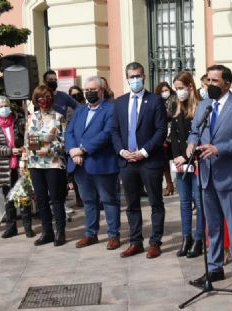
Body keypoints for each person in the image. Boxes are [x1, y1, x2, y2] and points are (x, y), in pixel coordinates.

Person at [186, 64, 232, 293]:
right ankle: (214, 268)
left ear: (227, 83)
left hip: (231, 177)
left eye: (214, 81)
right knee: (212, 227)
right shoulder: (203, 105)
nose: (209, 85)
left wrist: (219, 148)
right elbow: (194, 130)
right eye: (207, 80)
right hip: (206, 175)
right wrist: (191, 143)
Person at [111, 61, 168, 259]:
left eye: (138, 76)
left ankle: (155, 242)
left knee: (155, 203)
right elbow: (115, 130)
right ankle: (135, 242)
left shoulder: (155, 101)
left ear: (144, 76)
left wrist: (144, 152)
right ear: (126, 78)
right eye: (131, 76)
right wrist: (121, 151)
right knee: (132, 204)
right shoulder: (119, 102)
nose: (135, 79)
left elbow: (161, 130)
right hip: (127, 162)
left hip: (149, 161)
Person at [65, 76, 121, 251]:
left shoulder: (111, 109)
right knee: (88, 200)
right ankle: (91, 233)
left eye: (92, 90)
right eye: (86, 90)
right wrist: (73, 151)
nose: (89, 93)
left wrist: (83, 150)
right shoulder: (80, 110)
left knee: (108, 200)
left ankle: (113, 235)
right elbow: (69, 132)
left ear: (102, 91)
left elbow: (107, 133)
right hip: (80, 164)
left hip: (101, 162)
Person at [25, 84, 68, 246]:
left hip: (54, 164)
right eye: (41, 97)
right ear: (36, 100)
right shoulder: (31, 118)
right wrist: (32, 153)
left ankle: (60, 232)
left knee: (56, 199)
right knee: (41, 199)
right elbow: (28, 140)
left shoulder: (59, 117)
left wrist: (49, 149)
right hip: (35, 164)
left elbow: (65, 142)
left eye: (47, 97)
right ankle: (47, 232)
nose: (44, 100)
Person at [0, 96, 34, 238]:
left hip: (21, 165)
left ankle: (28, 227)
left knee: (24, 197)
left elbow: (29, 138)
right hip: (3, 167)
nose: (4, 108)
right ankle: (11, 227)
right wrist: (9, 151)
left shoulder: (20, 121)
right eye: (0, 106)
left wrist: (23, 149)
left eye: (6, 105)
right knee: (8, 199)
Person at [170, 71, 204, 258]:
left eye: (181, 88)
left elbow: (199, 136)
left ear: (190, 86)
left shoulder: (200, 107)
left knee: (198, 202)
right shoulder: (177, 107)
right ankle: (186, 237)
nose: (179, 92)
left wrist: (185, 156)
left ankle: (198, 239)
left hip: (196, 161)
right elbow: (174, 135)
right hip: (181, 163)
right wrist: (177, 157)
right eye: (176, 89)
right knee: (184, 202)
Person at [154, 81, 177, 197]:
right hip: (163, 136)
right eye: (162, 91)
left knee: (177, 158)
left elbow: (174, 114)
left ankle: (178, 183)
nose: (164, 93)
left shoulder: (175, 99)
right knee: (164, 161)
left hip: (174, 134)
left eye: (166, 90)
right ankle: (169, 184)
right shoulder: (157, 101)